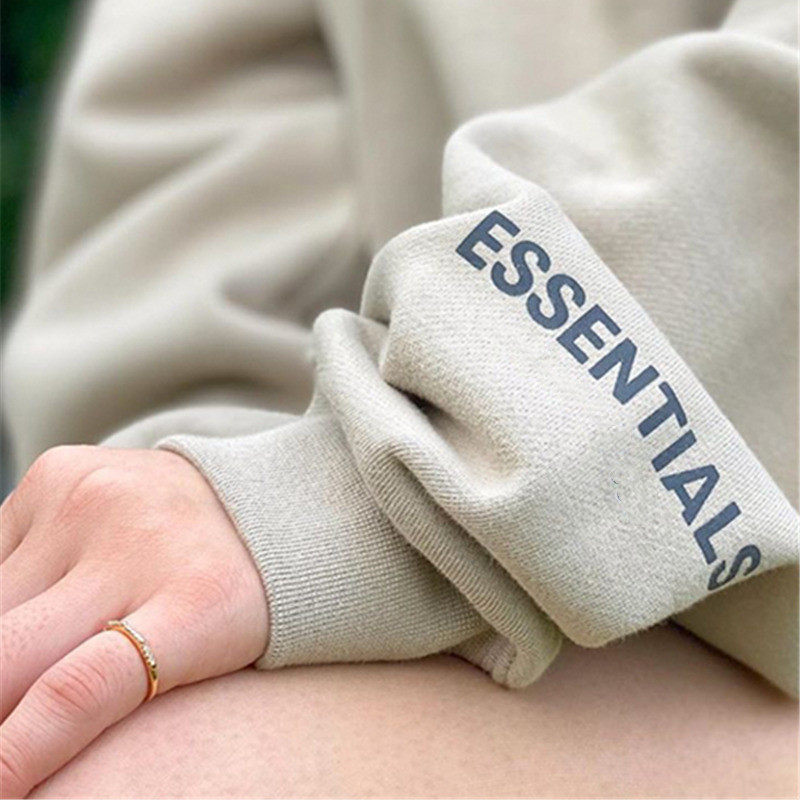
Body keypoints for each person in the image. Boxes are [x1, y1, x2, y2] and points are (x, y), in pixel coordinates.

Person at [1, 0, 798, 797]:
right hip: (535, 612)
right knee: (84, 726)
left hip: (759, 630)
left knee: (155, 775)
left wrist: (360, 495)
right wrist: (223, 506)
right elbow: (186, 230)